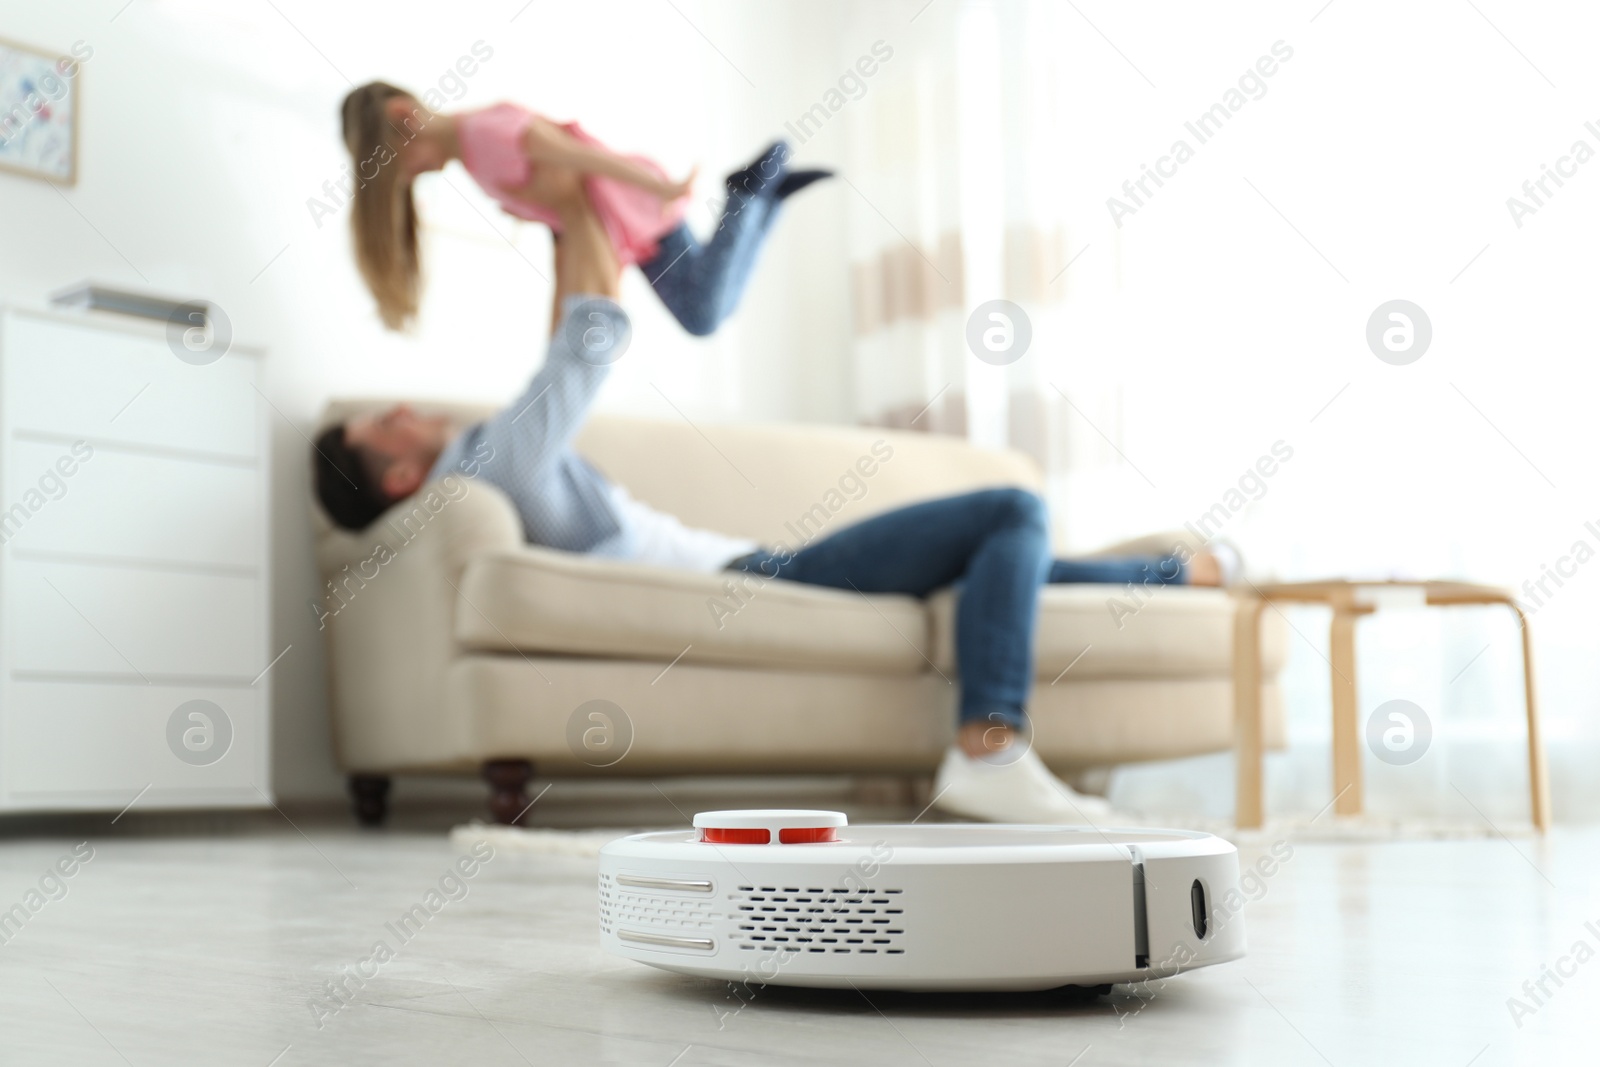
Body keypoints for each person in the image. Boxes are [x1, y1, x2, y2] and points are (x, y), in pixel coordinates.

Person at [313, 188, 1232, 826]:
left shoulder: (489, 459)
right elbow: (580, 352)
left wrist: (570, 230)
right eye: (380, 426)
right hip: (754, 575)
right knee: (1008, 510)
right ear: (396, 478)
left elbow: (549, 371)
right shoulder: (472, 475)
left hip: (761, 564)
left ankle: (1177, 571)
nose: (398, 408)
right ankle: (989, 747)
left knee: (1006, 557)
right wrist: (586, 211)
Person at [339, 81, 829, 333]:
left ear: (404, 116)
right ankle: (766, 199)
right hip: (624, 227)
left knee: (702, 312)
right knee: (707, 303)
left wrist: (660, 188)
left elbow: (580, 156)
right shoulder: (475, 151)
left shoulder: (485, 134)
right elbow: (559, 223)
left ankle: (748, 195)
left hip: (633, 212)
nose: (408, 177)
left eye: (399, 164)